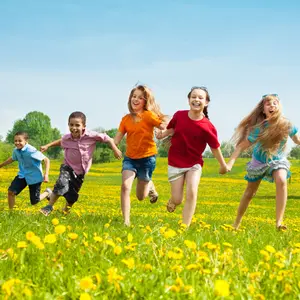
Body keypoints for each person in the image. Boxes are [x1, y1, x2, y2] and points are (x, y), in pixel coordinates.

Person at [156, 86, 228, 227]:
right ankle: (173, 201)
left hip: (194, 164)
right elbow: (172, 128)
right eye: (193, 97)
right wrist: (162, 134)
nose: (196, 99)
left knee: (192, 192)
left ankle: (184, 226)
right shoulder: (179, 115)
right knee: (178, 199)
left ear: (206, 102)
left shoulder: (208, 126)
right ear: (188, 100)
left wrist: (223, 165)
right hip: (175, 162)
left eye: (200, 97)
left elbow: (215, 147)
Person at [227, 94, 300, 230]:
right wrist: (230, 162)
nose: (272, 105)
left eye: (275, 103)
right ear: (263, 110)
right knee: (250, 193)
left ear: (279, 106)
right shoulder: (260, 127)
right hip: (259, 162)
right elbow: (242, 145)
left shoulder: (287, 125)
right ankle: (236, 223)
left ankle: (279, 222)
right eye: (268, 104)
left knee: (282, 180)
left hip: (277, 160)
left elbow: (297, 140)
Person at [39, 111, 122, 216]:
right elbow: (60, 142)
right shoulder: (66, 138)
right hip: (67, 167)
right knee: (61, 183)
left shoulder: (91, 136)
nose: (74, 128)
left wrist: (115, 149)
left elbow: (107, 139)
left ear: (84, 126)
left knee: (72, 196)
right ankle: (48, 207)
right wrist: (47, 146)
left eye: (77, 125)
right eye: (71, 125)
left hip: (80, 172)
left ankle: (65, 211)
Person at [114, 84, 167, 226]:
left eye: (140, 98)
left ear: (146, 101)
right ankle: (126, 221)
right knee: (125, 186)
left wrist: (163, 133)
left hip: (147, 159)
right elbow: (117, 140)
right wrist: (114, 147)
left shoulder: (148, 116)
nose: (135, 99)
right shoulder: (125, 119)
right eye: (134, 96)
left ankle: (149, 185)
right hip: (130, 159)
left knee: (140, 197)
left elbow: (165, 126)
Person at [0, 131, 51, 209]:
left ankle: (47, 192)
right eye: (15, 141)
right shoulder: (16, 151)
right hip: (22, 175)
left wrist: (46, 174)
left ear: (26, 141)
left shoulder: (31, 150)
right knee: (11, 192)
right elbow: (12, 158)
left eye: (20, 141)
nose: (17, 143)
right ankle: (12, 213)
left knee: (34, 201)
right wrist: (1, 165)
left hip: (35, 177)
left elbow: (46, 160)